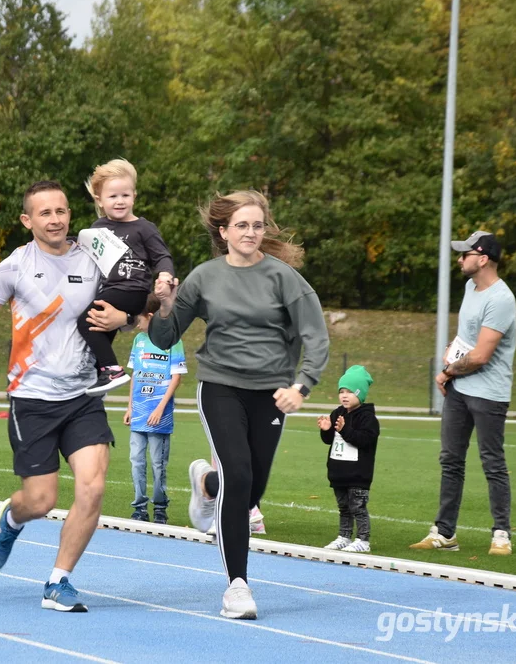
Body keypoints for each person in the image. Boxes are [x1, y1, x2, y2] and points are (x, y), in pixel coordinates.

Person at [149, 189, 329, 620]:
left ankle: (208, 486)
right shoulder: (205, 277)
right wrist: (166, 304)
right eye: (242, 225)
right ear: (224, 231)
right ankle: (237, 586)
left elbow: (316, 337)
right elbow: (163, 337)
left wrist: (301, 387)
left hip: (271, 393)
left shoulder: (284, 278)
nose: (251, 232)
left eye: (258, 225)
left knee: (250, 489)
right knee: (241, 474)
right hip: (221, 386)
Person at [0, 180, 114, 613]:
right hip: (33, 398)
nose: (56, 219)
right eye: (44, 213)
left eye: (61, 211)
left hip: (83, 394)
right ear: (28, 220)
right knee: (42, 501)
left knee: (93, 487)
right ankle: (11, 519)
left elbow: (128, 309)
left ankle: (58, 581)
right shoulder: (16, 266)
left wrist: (133, 312)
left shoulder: (92, 258)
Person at [410, 231, 516, 556]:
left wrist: (447, 370)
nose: (459, 259)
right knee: (451, 461)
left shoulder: (501, 298)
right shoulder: (471, 288)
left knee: (492, 463)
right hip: (461, 389)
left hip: (489, 392)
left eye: (465, 254)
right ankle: (445, 533)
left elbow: (482, 355)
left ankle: (501, 534)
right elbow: (466, 339)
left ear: (482, 259)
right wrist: (452, 355)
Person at [77, 159, 174, 396]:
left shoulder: (144, 228)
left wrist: (165, 275)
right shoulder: (97, 227)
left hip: (131, 290)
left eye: (125, 195)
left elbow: (162, 256)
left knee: (85, 321)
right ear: (99, 199)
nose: (120, 201)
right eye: (113, 196)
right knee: (101, 329)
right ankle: (102, 372)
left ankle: (112, 370)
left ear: (134, 196)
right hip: (109, 290)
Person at [124, 293, 187, 524]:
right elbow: (135, 375)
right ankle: (139, 507)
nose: (137, 323)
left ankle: (160, 507)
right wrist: (130, 406)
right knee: (136, 461)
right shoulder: (139, 340)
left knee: (158, 464)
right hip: (139, 411)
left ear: (150, 316)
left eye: (139, 319)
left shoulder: (173, 341)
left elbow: (176, 378)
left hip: (159, 414)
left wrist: (160, 408)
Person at [318, 365, 380, 553]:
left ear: (360, 394)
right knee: (344, 508)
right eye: (342, 391)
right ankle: (344, 536)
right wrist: (326, 429)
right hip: (339, 472)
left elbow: (364, 440)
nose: (344, 395)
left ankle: (363, 540)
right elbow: (329, 441)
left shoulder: (368, 418)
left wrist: (344, 430)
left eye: (350, 392)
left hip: (358, 474)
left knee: (358, 507)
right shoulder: (338, 413)